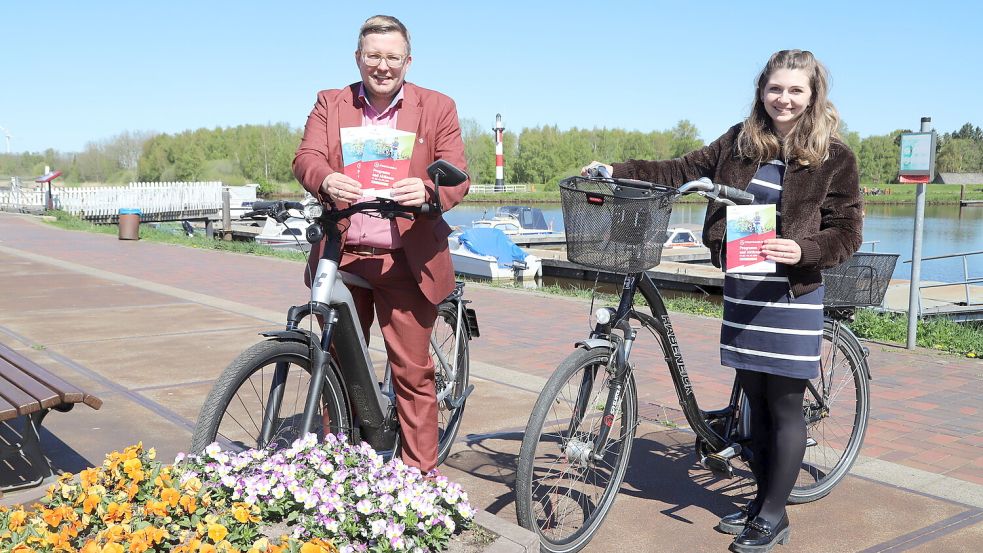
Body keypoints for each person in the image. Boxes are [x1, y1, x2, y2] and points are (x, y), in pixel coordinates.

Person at [584, 49, 862, 553]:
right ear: (762, 90)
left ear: (813, 95)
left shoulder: (834, 157)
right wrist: (615, 169)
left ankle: (774, 516)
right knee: (752, 403)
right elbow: (678, 169)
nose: (785, 98)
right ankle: (760, 503)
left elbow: (847, 231)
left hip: (792, 291)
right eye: (776, 88)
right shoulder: (739, 142)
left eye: (796, 90)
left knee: (783, 405)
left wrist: (804, 249)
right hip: (744, 286)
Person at [293, 14, 470, 474]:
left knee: (412, 372)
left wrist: (429, 191)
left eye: (393, 57)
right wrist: (325, 177)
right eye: (373, 56)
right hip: (344, 255)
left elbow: (456, 172)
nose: (383, 66)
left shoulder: (438, 107)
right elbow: (306, 157)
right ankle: (334, 472)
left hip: (405, 261)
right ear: (358, 58)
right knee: (335, 365)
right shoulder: (331, 103)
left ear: (408, 61)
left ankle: (419, 480)